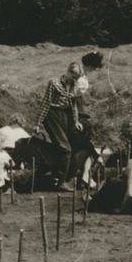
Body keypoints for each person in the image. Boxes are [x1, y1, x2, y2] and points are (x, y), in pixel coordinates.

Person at [33, 62, 84, 192]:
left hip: (64, 116)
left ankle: (52, 176)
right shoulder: (54, 83)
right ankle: (61, 182)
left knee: (62, 147)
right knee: (66, 149)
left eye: (77, 78)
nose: (74, 80)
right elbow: (46, 103)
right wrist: (38, 123)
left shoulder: (73, 86)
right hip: (52, 116)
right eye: (73, 77)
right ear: (68, 72)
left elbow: (73, 106)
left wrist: (76, 121)